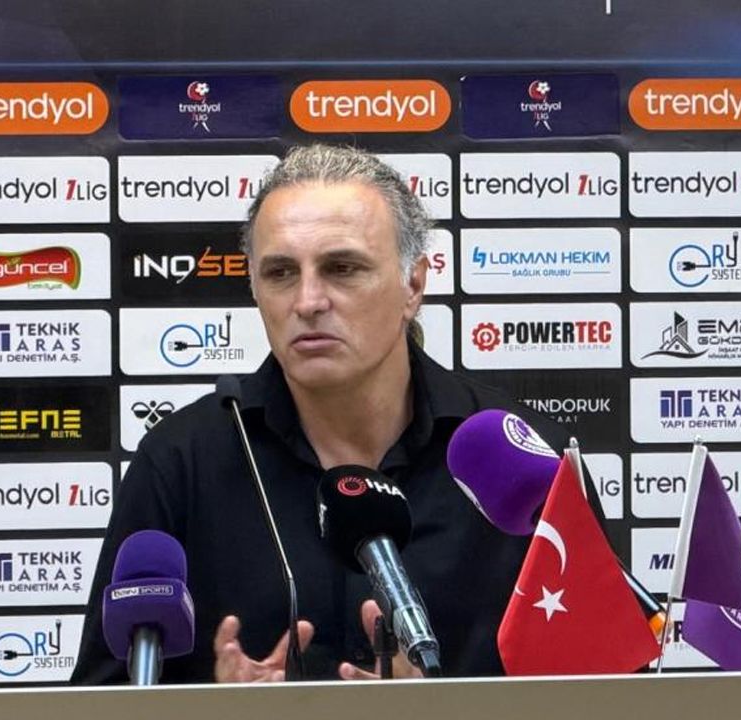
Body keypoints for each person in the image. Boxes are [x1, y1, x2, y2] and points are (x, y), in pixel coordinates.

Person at [71, 144, 574, 683]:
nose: (308, 301)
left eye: (342, 268)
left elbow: (607, 687)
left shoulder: (521, 459)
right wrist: (212, 715)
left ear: (413, 284)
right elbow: (103, 700)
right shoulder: (181, 461)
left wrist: (438, 713)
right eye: (281, 273)